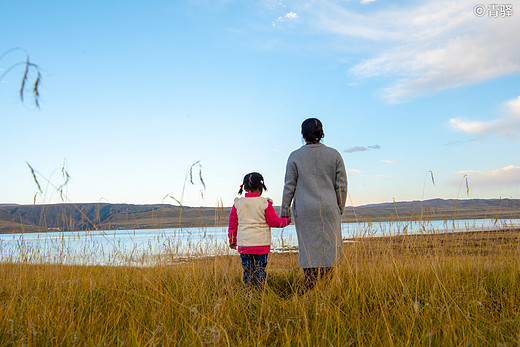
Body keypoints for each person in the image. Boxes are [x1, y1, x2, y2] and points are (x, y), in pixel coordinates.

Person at [281, 118, 348, 289]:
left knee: (308, 248)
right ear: (322, 133)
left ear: (303, 135)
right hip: (329, 208)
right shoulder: (334, 155)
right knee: (330, 248)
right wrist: (339, 207)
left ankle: (311, 287)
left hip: (305, 209)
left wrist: (285, 210)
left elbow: (289, 185)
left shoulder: (295, 156)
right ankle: (327, 287)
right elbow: (341, 185)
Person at [228, 172, 291, 290]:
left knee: (248, 272)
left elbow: (233, 224)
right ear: (261, 187)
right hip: (261, 245)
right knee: (260, 272)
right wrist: (286, 221)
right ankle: (259, 295)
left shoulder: (238, 204)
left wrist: (232, 240)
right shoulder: (265, 204)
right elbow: (274, 222)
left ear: (244, 188)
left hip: (245, 245)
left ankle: (248, 295)